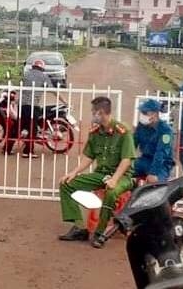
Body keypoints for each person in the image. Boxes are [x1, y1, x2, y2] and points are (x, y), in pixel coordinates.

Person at [58, 96, 136, 248]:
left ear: (101, 113)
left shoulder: (122, 132)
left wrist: (114, 179)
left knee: (111, 192)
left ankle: (100, 233)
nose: (92, 115)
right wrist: (74, 172)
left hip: (122, 176)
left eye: (94, 112)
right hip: (101, 174)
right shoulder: (95, 132)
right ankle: (79, 227)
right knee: (66, 184)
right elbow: (89, 156)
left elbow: (126, 160)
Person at [12, 58, 53, 158]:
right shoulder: (44, 76)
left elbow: (18, 88)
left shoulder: (26, 75)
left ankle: (7, 149)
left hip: (22, 105)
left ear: (33, 66)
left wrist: (15, 101)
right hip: (32, 106)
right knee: (32, 129)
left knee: (17, 127)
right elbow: (52, 90)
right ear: (42, 68)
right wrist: (64, 100)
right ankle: (28, 152)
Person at [133, 99, 175, 183]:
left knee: (155, 184)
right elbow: (133, 144)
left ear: (155, 114)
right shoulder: (141, 126)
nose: (142, 115)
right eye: (142, 112)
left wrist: (153, 173)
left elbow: (161, 153)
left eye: (145, 113)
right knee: (120, 171)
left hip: (162, 164)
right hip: (144, 160)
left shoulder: (166, 131)